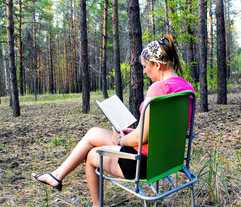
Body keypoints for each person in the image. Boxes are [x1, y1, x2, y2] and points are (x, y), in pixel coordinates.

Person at [32, 35, 195, 207]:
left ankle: (96, 204)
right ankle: (56, 175)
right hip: (168, 159)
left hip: (144, 163)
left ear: (157, 65)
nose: (145, 71)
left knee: (91, 155)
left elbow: (144, 138)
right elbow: (162, 130)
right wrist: (131, 134)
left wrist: (119, 139)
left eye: (146, 67)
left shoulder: (158, 89)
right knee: (93, 133)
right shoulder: (187, 89)